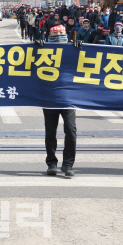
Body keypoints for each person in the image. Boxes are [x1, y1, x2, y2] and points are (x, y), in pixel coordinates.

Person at [41, 21, 77, 177]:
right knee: (50, 133)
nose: (58, 36)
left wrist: (82, 48)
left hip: (69, 98)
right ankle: (52, 163)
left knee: (71, 130)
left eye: (61, 34)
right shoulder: (42, 49)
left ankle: (68, 164)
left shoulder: (74, 49)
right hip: (48, 98)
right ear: (49, 35)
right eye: (54, 34)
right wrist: (36, 48)